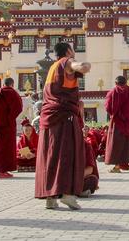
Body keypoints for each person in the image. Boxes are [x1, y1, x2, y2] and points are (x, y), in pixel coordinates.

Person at [35, 42, 91, 210]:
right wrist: (84, 65)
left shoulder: (52, 68)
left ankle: (50, 197)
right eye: (72, 50)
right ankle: (67, 194)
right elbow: (80, 67)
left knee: (50, 155)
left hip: (48, 117)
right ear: (68, 51)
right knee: (67, 154)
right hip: (64, 116)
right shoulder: (65, 62)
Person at [0, 78, 23, 179]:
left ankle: (3, 170)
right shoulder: (13, 93)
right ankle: (2, 171)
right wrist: (10, 118)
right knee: (7, 149)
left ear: (3, 84)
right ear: (12, 84)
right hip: (8, 125)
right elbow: (19, 107)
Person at [105, 76, 129, 173]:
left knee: (117, 143)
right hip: (128, 122)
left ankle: (117, 167)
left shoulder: (113, 92)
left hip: (117, 122)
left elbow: (108, 107)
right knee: (128, 142)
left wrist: (114, 114)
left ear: (116, 83)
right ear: (125, 82)